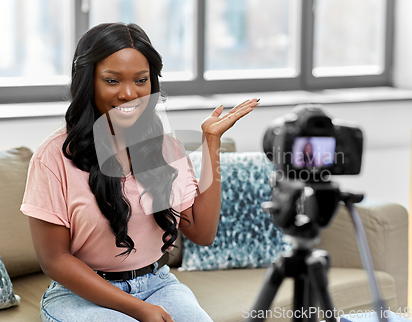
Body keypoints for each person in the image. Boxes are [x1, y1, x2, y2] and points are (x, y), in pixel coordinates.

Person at [20, 23, 259, 322]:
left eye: (141, 80)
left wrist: (211, 143)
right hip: (79, 296)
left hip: (157, 284)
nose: (129, 94)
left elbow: (203, 233)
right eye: (112, 80)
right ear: (88, 82)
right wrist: (137, 309)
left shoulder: (166, 149)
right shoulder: (53, 157)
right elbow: (54, 260)